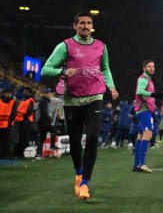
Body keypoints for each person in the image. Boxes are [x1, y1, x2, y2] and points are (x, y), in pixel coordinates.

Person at [41, 12, 119, 200]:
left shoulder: (101, 46)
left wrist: (111, 86)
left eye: (89, 23)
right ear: (75, 26)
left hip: (95, 97)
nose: (86, 26)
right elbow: (45, 70)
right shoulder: (65, 46)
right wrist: (63, 71)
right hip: (72, 100)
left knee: (92, 138)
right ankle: (78, 173)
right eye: (82, 23)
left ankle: (85, 183)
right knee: (75, 143)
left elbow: (105, 67)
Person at [132, 59, 162, 173]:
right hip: (144, 110)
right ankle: (142, 164)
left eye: (153, 66)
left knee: (140, 137)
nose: (152, 68)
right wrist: (153, 94)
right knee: (148, 134)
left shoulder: (147, 79)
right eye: (149, 66)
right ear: (144, 68)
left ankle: (136, 165)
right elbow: (139, 91)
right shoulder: (144, 79)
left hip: (142, 110)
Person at [14, 86, 36, 158]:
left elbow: (29, 112)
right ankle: (19, 153)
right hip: (20, 121)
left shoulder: (30, 100)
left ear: (29, 93)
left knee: (24, 138)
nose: (24, 92)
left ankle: (23, 153)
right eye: (24, 91)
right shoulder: (23, 100)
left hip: (26, 121)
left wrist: (22, 116)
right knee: (20, 137)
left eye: (26, 91)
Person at [0, 87, 19, 159]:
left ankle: (7, 154)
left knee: (8, 141)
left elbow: (13, 114)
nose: (9, 95)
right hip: (1, 124)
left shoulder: (13, 102)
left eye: (10, 93)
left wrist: (10, 123)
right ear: (3, 94)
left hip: (9, 125)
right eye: (7, 93)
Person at [36, 88, 54, 157]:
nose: (50, 94)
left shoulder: (44, 101)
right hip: (43, 122)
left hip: (43, 122)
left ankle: (39, 154)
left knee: (42, 138)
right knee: (54, 131)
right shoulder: (43, 101)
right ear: (46, 94)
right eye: (49, 93)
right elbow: (44, 113)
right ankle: (52, 146)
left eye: (50, 93)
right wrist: (50, 119)